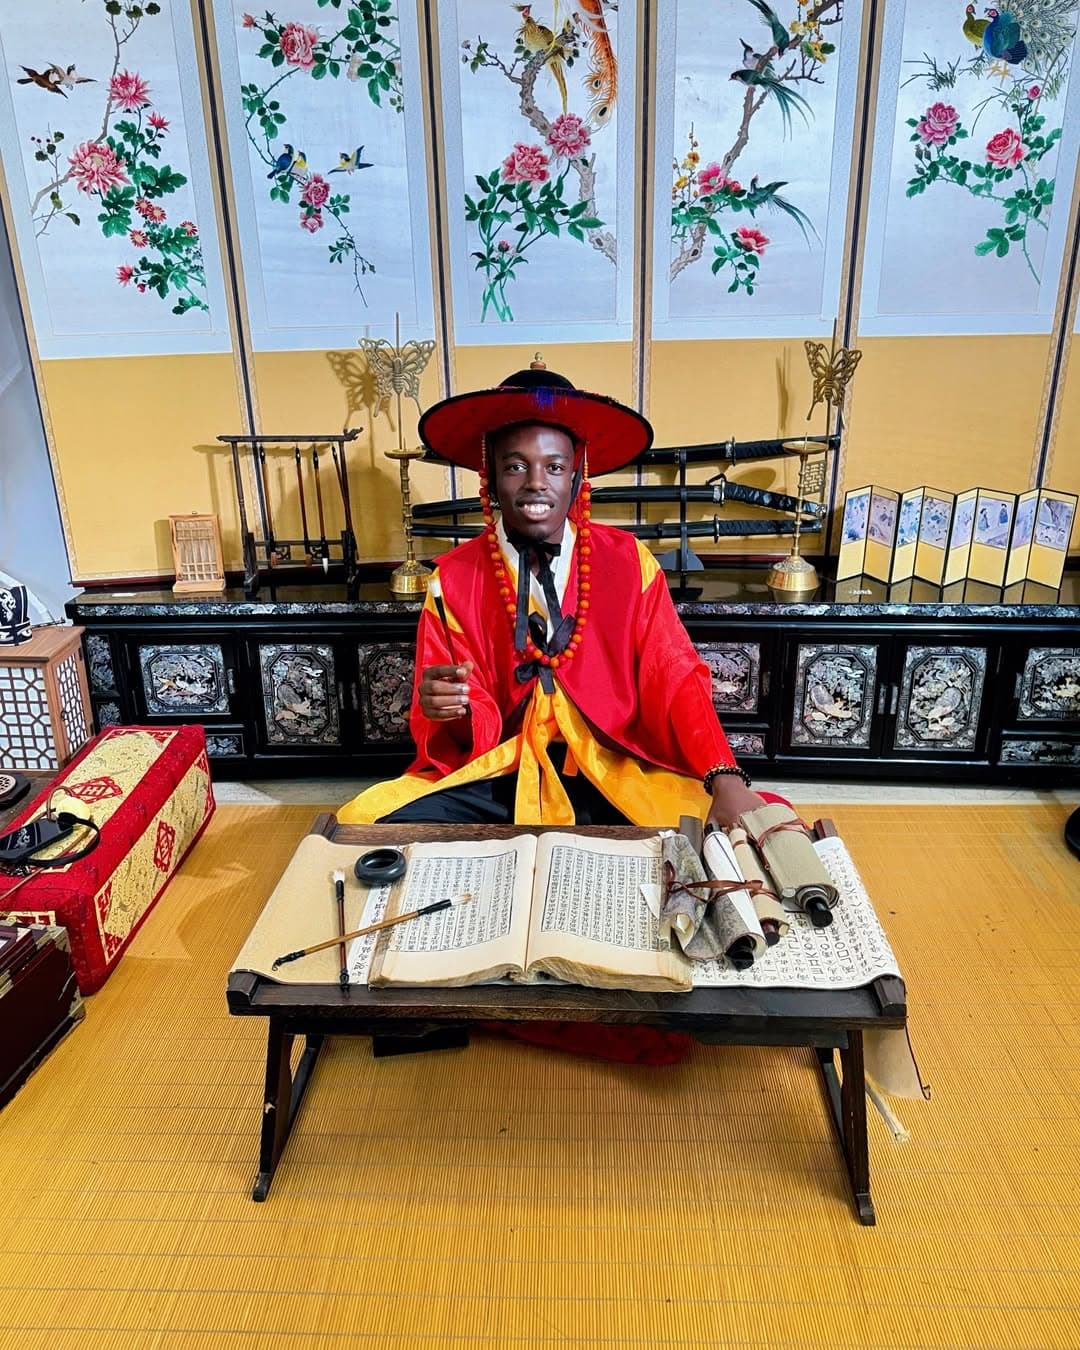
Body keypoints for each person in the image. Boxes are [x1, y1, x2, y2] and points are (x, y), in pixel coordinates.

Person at [340, 359, 775, 831]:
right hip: (502, 769)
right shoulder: (452, 580)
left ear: (576, 475)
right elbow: (462, 727)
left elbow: (674, 675)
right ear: (489, 476)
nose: (535, 483)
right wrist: (451, 709)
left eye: (554, 466)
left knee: (736, 828)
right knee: (367, 821)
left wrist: (725, 774)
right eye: (515, 466)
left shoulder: (629, 562)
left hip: (614, 762)